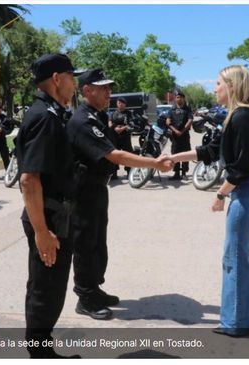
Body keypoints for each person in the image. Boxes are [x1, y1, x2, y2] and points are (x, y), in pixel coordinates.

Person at [169, 65, 249, 337]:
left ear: (232, 87)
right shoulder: (236, 116)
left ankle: (235, 323)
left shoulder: (242, 117)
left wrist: (220, 194)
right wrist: (173, 158)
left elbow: (242, 166)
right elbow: (212, 150)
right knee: (240, 255)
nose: (214, 89)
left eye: (218, 84)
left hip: (248, 190)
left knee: (233, 257)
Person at [66, 68, 173, 320]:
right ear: (87, 91)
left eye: (109, 88)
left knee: (97, 241)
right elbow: (115, 155)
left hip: (97, 188)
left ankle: (94, 288)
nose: (108, 93)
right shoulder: (83, 120)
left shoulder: (99, 116)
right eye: (103, 88)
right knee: (85, 243)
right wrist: (154, 163)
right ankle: (85, 297)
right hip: (82, 192)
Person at [17, 53, 82, 358]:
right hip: (50, 218)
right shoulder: (44, 117)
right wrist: (42, 231)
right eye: (72, 77)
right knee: (46, 289)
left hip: (58, 214)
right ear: (57, 79)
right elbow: (29, 180)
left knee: (52, 287)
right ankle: (41, 355)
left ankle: (43, 352)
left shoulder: (54, 113)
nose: (75, 83)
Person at [166, 90, 193, 180]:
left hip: (184, 135)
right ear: (175, 98)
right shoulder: (172, 109)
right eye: (177, 97)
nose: (179, 98)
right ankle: (176, 173)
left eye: (180, 97)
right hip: (175, 136)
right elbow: (168, 122)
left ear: (183, 98)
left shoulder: (187, 109)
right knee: (175, 154)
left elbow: (190, 121)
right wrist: (175, 131)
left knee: (185, 154)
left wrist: (182, 131)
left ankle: (184, 173)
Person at [108, 97, 135, 179]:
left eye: (122, 103)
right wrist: (115, 127)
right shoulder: (113, 113)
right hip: (115, 137)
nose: (120, 104)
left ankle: (129, 172)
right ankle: (114, 173)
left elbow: (131, 123)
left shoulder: (129, 113)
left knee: (127, 155)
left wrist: (122, 128)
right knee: (114, 155)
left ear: (125, 104)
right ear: (117, 104)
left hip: (125, 137)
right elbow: (109, 123)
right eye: (119, 102)